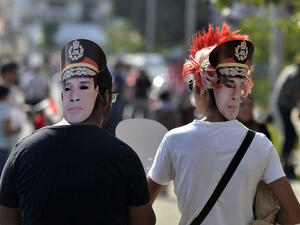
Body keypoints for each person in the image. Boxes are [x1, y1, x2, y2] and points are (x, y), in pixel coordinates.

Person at [147, 23, 300, 225]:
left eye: (240, 85)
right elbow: (294, 214)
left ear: (200, 87)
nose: (237, 95)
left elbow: (142, 206)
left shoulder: (174, 140)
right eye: (229, 84)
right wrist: (268, 218)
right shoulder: (260, 144)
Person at [0, 39, 155, 225]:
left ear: (63, 97)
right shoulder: (124, 156)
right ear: (106, 99)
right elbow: (144, 221)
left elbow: (6, 217)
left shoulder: (23, 151)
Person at [271, 56, 300, 179]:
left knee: (291, 134)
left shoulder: (292, 69)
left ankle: (286, 163)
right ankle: (284, 164)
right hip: (284, 105)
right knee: (290, 135)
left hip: (284, 104)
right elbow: (291, 92)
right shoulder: (296, 73)